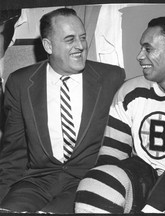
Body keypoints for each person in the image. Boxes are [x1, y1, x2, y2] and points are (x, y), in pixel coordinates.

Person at [75, 15, 165, 214]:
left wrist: (149, 210)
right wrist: (107, 187)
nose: (139, 56)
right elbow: (112, 155)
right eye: (141, 48)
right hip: (144, 173)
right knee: (95, 183)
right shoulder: (128, 91)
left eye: (148, 48)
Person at [0, 8, 125, 213]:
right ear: (48, 45)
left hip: (86, 182)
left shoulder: (112, 78)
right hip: (35, 183)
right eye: (70, 39)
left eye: (82, 38)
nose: (80, 46)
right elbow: (14, 153)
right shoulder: (20, 83)